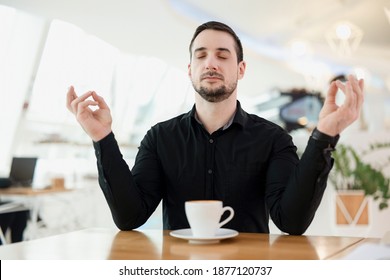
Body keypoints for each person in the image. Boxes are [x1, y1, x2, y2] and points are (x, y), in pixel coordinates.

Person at [66, 21, 364, 235]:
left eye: (223, 55)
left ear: (241, 69)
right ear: (190, 69)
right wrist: (102, 138)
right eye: (201, 55)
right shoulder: (160, 138)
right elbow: (130, 217)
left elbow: (292, 223)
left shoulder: (273, 139)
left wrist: (323, 136)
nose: (212, 63)